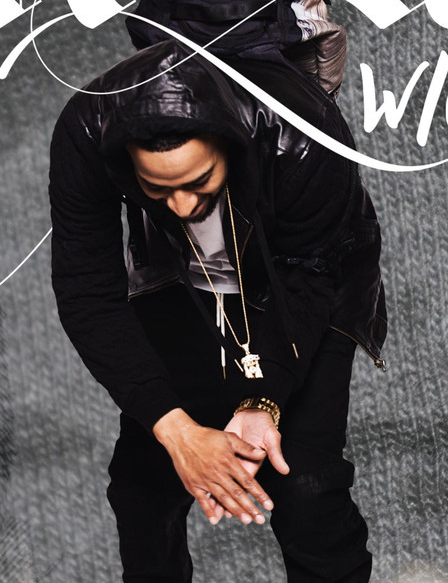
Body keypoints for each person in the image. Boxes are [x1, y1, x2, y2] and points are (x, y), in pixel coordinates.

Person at [49, 38, 386, 583]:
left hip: (303, 282)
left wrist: (262, 399)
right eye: (157, 188)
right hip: (182, 281)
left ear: (230, 144)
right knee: (143, 488)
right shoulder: (89, 130)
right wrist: (176, 431)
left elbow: (310, 275)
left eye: (197, 181)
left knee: (306, 487)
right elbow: (87, 291)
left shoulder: (303, 132)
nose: (182, 206)